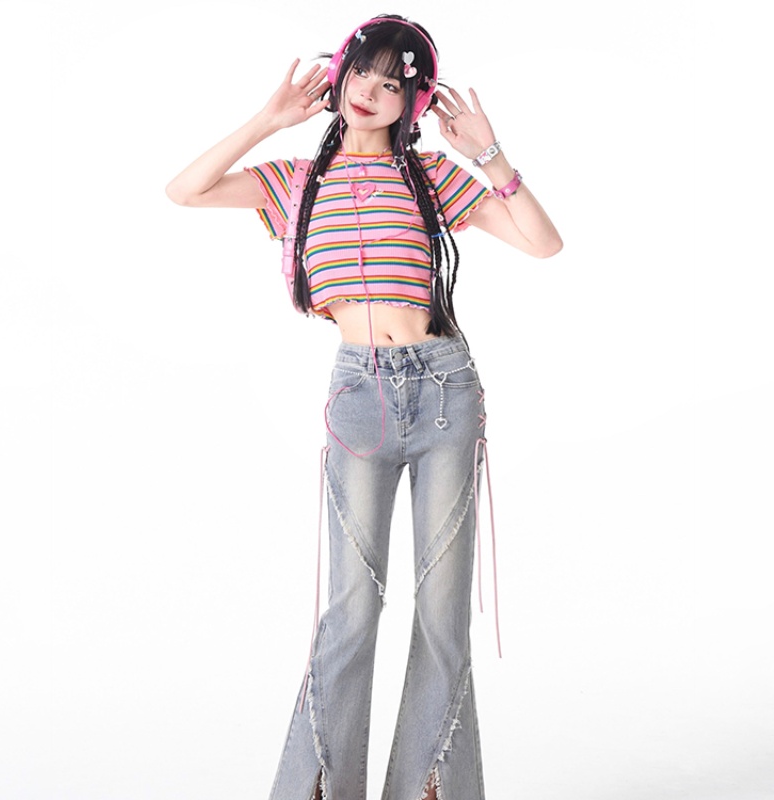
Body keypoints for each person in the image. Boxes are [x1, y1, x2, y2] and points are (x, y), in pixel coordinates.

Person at [165, 14, 562, 800]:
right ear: (339, 77)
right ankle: (318, 787)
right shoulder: (295, 183)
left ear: (413, 101)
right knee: (351, 607)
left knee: (442, 613)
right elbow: (185, 190)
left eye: (393, 82)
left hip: (445, 389)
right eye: (362, 73)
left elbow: (542, 242)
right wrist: (269, 118)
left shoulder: (431, 178)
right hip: (357, 394)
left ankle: (430, 787)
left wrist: (488, 153)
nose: (372, 91)